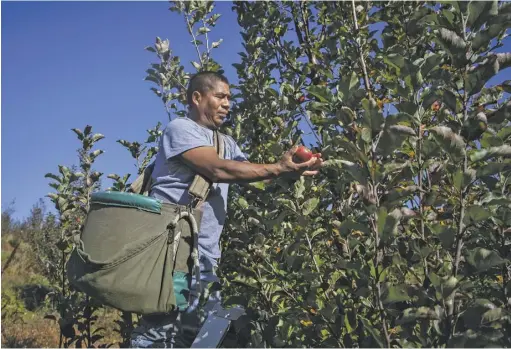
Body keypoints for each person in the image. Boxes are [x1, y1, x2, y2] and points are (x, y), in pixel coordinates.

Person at [131, 71, 323, 348]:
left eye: (229, 98)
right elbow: (217, 168)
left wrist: (293, 169)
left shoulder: (226, 143)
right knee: (160, 333)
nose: (227, 104)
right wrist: (278, 168)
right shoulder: (181, 129)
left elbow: (257, 177)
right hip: (173, 254)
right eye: (220, 96)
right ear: (197, 98)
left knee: (198, 336)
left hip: (206, 257)